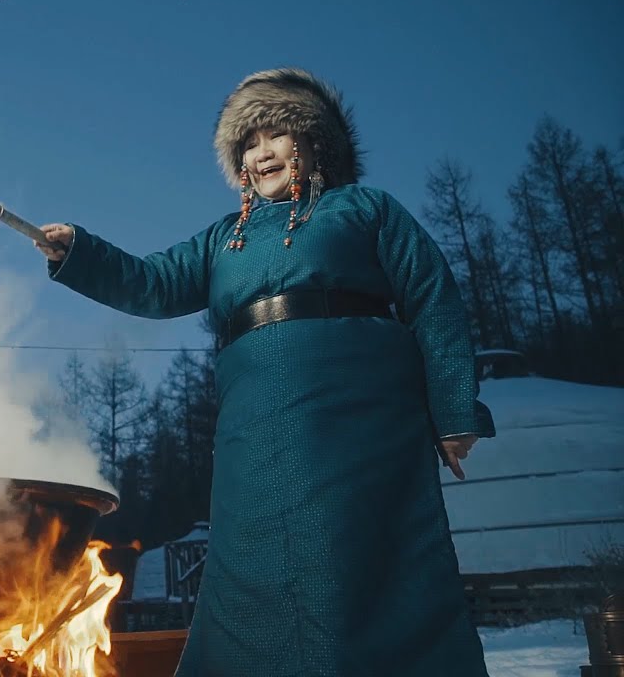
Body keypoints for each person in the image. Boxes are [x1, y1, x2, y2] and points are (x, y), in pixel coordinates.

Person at [35, 68, 494, 676]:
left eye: (275, 135)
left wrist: (455, 410)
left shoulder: (365, 209)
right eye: (248, 144)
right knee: (252, 561)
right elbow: (152, 283)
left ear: (313, 140)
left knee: (353, 554)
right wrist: (79, 252)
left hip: (361, 416)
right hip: (253, 424)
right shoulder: (225, 238)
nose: (260, 153)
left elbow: (433, 299)